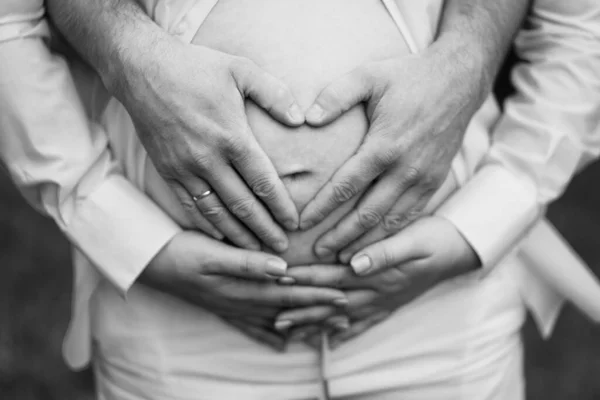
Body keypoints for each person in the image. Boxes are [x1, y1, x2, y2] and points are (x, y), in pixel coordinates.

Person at [1, 1, 599, 400]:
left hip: (441, 322)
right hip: (178, 335)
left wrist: (489, 215)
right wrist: (120, 229)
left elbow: (581, 21)